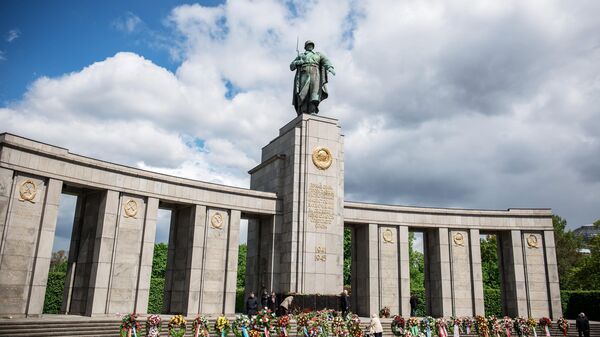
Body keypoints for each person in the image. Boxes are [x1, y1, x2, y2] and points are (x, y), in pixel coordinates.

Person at [290, 40, 335, 115]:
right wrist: (297, 62)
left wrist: (330, 67)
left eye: (311, 45)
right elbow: (291, 66)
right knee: (304, 93)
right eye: (308, 45)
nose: (310, 46)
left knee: (314, 92)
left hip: (315, 72)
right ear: (305, 46)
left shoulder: (318, 54)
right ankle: (303, 110)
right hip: (304, 72)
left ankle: (312, 110)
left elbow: (326, 61)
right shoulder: (301, 55)